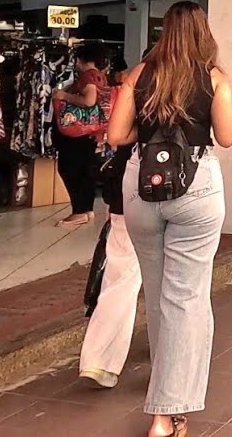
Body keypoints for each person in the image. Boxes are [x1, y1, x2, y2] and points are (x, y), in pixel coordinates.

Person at [107, 1, 232, 437]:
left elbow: (117, 137)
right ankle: (166, 415)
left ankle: (168, 385)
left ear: (165, 32)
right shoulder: (214, 80)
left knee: (160, 293)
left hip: (142, 188)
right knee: (186, 298)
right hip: (196, 187)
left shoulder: (140, 76)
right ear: (203, 33)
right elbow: (227, 136)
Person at [79, 52, 142, 390]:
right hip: (174, 193)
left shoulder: (133, 85)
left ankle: (100, 360)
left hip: (125, 192)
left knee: (120, 277)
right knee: (174, 282)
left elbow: (115, 138)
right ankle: (169, 354)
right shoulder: (198, 83)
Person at [53, 42, 112, 227]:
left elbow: (89, 101)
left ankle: (79, 210)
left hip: (78, 131)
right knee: (85, 170)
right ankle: (86, 210)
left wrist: (63, 96)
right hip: (92, 131)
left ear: (83, 59)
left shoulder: (88, 76)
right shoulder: (101, 76)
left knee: (70, 169)